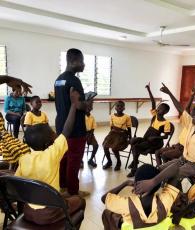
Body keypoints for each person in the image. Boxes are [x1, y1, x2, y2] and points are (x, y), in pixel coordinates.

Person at [14, 88, 85, 227]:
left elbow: (18, 185)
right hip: (48, 213)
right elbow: (66, 130)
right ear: (48, 143)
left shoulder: (23, 159)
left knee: (64, 197)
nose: (54, 135)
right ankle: (70, 226)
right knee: (80, 201)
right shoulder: (51, 154)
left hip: (28, 211)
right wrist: (73, 105)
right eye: (52, 134)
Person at [134, 83, 195, 194]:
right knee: (160, 169)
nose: (194, 116)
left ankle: (178, 198)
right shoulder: (192, 126)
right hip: (182, 159)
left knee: (172, 175)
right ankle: (159, 187)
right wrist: (169, 93)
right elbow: (181, 109)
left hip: (194, 166)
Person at [134, 142, 195, 226]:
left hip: (188, 210)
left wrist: (180, 215)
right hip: (187, 200)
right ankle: (154, 187)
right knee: (174, 175)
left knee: (157, 200)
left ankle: (147, 213)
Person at [55, 48, 92, 196]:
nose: (83, 65)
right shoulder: (74, 80)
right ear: (73, 61)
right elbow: (79, 105)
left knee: (64, 157)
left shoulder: (59, 79)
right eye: (82, 61)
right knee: (74, 159)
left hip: (61, 126)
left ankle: (62, 186)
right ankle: (73, 191)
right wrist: (88, 103)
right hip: (75, 127)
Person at [101, 164, 179, 229]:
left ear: (136, 183)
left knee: (108, 213)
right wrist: (154, 181)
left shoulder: (126, 205)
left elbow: (104, 198)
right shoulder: (165, 201)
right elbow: (176, 168)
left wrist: (125, 183)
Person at [127, 83, 171, 177]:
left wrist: (156, 137)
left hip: (155, 142)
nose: (158, 110)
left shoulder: (166, 123)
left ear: (165, 112)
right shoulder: (155, 116)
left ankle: (134, 168)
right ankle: (135, 161)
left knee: (135, 147)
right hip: (147, 138)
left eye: (161, 109)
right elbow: (153, 102)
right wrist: (149, 90)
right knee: (133, 141)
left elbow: (166, 136)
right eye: (158, 108)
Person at [155, 87, 195, 166]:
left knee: (165, 155)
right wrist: (192, 96)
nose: (189, 115)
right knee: (157, 152)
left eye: (192, 115)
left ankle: (165, 171)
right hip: (178, 145)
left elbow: (180, 108)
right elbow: (187, 108)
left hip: (183, 149)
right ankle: (160, 169)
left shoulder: (193, 124)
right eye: (190, 114)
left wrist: (169, 93)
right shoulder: (189, 122)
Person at [102, 100, 132, 171]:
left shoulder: (127, 117)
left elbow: (129, 128)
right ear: (115, 107)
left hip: (122, 135)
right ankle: (109, 161)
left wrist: (130, 138)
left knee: (114, 148)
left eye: (121, 106)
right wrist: (110, 136)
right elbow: (111, 127)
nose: (119, 107)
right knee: (105, 146)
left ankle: (118, 162)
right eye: (118, 106)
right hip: (113, 133)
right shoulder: (112, 116)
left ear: (124, 108)